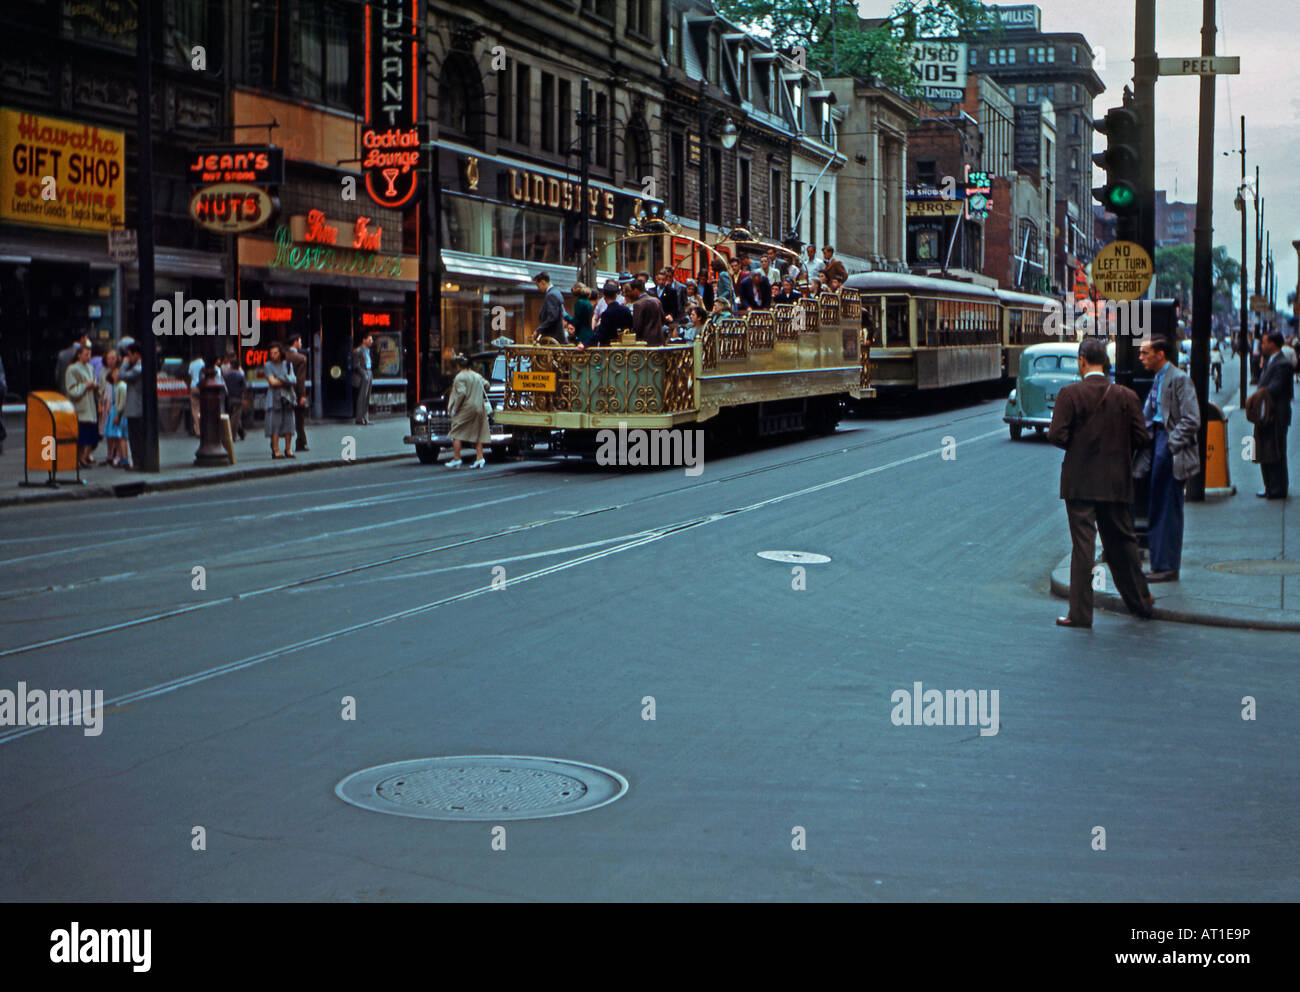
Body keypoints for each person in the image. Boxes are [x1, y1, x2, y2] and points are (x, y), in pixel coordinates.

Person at [1047, 337, 1155, 628]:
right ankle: (1141, 602)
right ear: (1105, 363)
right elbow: (1143, 438)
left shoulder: (1069, 394)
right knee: (1123, 543)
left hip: (1080, 482)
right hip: (1116, 482)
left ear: (1081, 360)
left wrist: (1079, 445)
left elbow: (1057, 435)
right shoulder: (1126, 396)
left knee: (1083, 547)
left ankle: (1080, 614)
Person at [1134, 337, 1200, 582]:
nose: (1141, 358)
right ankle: (1160, 562)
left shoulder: (1179, 379)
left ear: (1160, 354)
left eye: (1145, 353)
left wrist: (1171, 443)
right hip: (1157, 442)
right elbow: (1150, 413)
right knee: (1157, 504)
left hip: (1168, 445)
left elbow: (1192, 419)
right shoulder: (1159, 378)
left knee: (1167, 507)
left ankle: (1167, 565)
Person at [1250, 330, 1293, 499]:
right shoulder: (1270, 362)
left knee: (1276, 451)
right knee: (1265, 451)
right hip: (1265, 413)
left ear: (1273, 344)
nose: (1262, 346)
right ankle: (1269, 487)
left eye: (1264, 343)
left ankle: (1278, 489)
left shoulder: (1283, 364)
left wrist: (1257, 395)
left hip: (1276, 414)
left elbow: (1275, 388)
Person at [446, 353, 489, 469]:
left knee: (456, 432)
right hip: (479, 408)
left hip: (466, 408)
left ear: (458, 366)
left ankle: (457, 458)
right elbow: (487, 385)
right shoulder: (477, 376)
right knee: (478, 433)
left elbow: (462, 393)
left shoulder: (460, 377)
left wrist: (455, 409)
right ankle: (480, 458)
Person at [64, 343, 100, 468]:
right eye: (86, 354)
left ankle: (84, 457)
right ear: (79, 355)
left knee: (91, 436)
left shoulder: (90, 368)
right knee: (82, 436)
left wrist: (95, 387)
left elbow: (94, 383)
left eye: (90, 354)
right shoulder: (72, 369)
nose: (88, 357)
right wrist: (86, 385)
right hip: (81, 407)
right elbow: (71, 389)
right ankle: (79, 458)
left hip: (90, 405)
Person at [263, 343, 297, 458]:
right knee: (275, 424)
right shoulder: (268, 365)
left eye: (276, 352)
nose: (273, 355)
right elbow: (272, 382)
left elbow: (294, 379)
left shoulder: (288, 364)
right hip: (274, 398)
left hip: (288, 397)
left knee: (289, 423)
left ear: (281, 352)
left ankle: (288, 449)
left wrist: (280, 379)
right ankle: (276, 449)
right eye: (271, 353)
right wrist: (286, 380)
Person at [118, 342, 145, 470]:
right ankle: (138, 461)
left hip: (135, 408)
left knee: (135, 437)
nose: (128, 358)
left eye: (129, 355)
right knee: (136, 437)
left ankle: (138, 462)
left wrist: (125, 363)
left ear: (136, 355)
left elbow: (121, 375)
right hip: (138, 407)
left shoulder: (137, 368)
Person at [286, 334, 309, 452]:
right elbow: (300, 379)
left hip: (283, 391)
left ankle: (276, 444)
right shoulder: (301, 358)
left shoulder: (283, 356)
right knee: (300, 418)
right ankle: (301, 442)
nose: (301, 344)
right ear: (295, 342)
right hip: (296, 391)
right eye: (300, 341)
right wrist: (303, 395)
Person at [102, 365, 128, 467]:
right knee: (114, 435)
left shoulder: (120, 386)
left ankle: (120, 457)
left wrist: (117, 414)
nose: (116, 375)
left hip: (118, 412)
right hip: (114, 410)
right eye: (115, 373)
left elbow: (121, 403)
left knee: (119, 436)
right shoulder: (113, 386)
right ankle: (116, 456)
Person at [628, 278, 666, 345]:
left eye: (631, 291)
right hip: (659, 339)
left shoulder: (638, 304)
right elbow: (663, 320)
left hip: (645, 341)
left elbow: (637, 326)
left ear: (636, 290)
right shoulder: (657, 300)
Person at [594, 281, 633, 346]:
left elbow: (601, 333)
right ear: (616, 296)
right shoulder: (626, 310)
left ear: (604, 298)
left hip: (609, 348)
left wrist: (585, 344)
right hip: (624, 345)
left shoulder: (606, 314)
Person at [222, 354, 247, 441]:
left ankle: (241, 433)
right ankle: (233, 435)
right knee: (236, 417)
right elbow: (244, 387)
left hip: (230, 397)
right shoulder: (241, 375)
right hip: (238, 397)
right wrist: (245, 398)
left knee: (233, 416)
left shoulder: (226, 376)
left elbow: (224, 386)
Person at [350, 333, 373, 425]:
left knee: (367, 398)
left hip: (368, 373)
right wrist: (364, 374)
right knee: (361, 397)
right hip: (362, 376)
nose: (371, 341)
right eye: (369, 339)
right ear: (364, 340)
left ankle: (366, 417)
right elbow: (356, 365)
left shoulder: (368, 351)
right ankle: (359, 418)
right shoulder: (358, 351)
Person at [572, 283, 596, 347]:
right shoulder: (588, 302)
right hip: (589, 334)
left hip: (581, 335)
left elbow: (576, 321)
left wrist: (566, 316)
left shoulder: (579, 302)